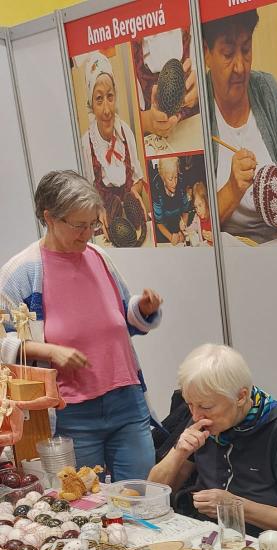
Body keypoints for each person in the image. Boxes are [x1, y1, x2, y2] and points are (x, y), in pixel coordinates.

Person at [0, 170, 163, 479]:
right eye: (79, 226)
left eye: (93, 224)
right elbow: (2, 342)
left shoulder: (99, 256)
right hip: (70, 411)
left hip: (126, 398)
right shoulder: (21, 272)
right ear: (49, 217)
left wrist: (141, 309)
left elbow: (123, 319)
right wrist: (49, 351)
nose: (87, 234)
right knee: (87, 497)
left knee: (143, 491)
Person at [149, 345, 277, 536]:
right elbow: (152, 498)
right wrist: (178, 453)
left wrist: (235, 505)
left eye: (206, 406)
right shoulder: (201, 421)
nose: (195, 416)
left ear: (240, 397)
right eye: (190, 404)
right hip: (205, 534)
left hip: (261, 541)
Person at [204, 11, 277, 244]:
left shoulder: (266, 90)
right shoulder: (197, 110)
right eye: (228, 54)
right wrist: (232, 189)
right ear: (206, 53)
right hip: (230, 250)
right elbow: (197, 225)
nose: (240, 67)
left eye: (246, 49)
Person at [79, 52, 150, 244]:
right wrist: (98, 208)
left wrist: (134, 192)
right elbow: (86, 196)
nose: (106, 109)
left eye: (110, 97)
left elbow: (137, 180)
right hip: (105, 226)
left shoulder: (126, 133)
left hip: (131, 222)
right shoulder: (86, 144)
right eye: (99, 99)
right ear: (91, 104)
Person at [133, 28, 199, 138]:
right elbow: (125, 120)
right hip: (154, 139)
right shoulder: (126, 43)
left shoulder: (190, 27)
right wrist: (148, 121)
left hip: (194, 127)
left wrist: (201, 84)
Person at [151, 157, 192, 245]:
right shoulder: (156, 189)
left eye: (176, 177)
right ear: (163, 178)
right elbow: (159, 222)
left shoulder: (181, 182)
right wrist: (171, 237)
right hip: (164, 228)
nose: (174, 183)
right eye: (170, 179)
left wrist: (182, 229)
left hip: (179, 223)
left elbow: (185, 211)